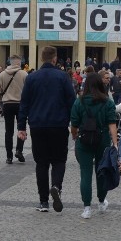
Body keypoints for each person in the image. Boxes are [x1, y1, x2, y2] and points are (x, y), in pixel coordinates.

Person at [17, 46, 76, 213]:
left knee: (41, 163)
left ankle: (43, 202)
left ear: (42, 58)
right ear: (55, 58)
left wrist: (22, 126)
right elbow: (72, 101)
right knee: (59, 160)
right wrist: (74, 124)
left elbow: (24, 103)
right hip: (58, 125)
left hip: (38, 125)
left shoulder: (32, 77)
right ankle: (56, 186)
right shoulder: (63, 77)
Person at [70, 72, 119, 218]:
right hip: (102, 140)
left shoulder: (79, 101)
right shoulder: (108, 102)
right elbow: (112, 124)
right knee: (101, 171)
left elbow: (74, 123)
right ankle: (101, 201)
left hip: (83, 140)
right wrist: (115, 144)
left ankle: (86, 207)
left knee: (85, 174)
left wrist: (74, 136)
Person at [0, 55, 28, 164]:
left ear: (10, 62)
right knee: (21, 128)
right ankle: (19, 150)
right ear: (19, 63)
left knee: (8, 131)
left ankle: (9, 156)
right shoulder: (24, 74)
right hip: (20, 104)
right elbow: (28, 89)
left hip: (7, 104)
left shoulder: (3, 74)